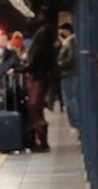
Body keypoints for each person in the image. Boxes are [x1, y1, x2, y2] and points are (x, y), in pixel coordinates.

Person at [25, 17, 59, 152]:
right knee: (38, 109)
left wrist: (18, 69)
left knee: (33, 109)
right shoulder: (50, 49)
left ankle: (43, 142)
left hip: (38, 81)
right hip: (45, 82)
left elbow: (32, 66)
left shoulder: (38, 49)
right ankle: (43, 142)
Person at [57, 22, 79, 132]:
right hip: (68, 75)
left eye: (62, 30)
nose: (60, 33)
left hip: (69, 74)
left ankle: (77, 124)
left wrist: (59, 63)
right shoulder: (68, 42)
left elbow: (71, 59)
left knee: (71, 100)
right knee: (70, 100)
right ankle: (76, 124)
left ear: (68, 31)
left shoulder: (71, 42)